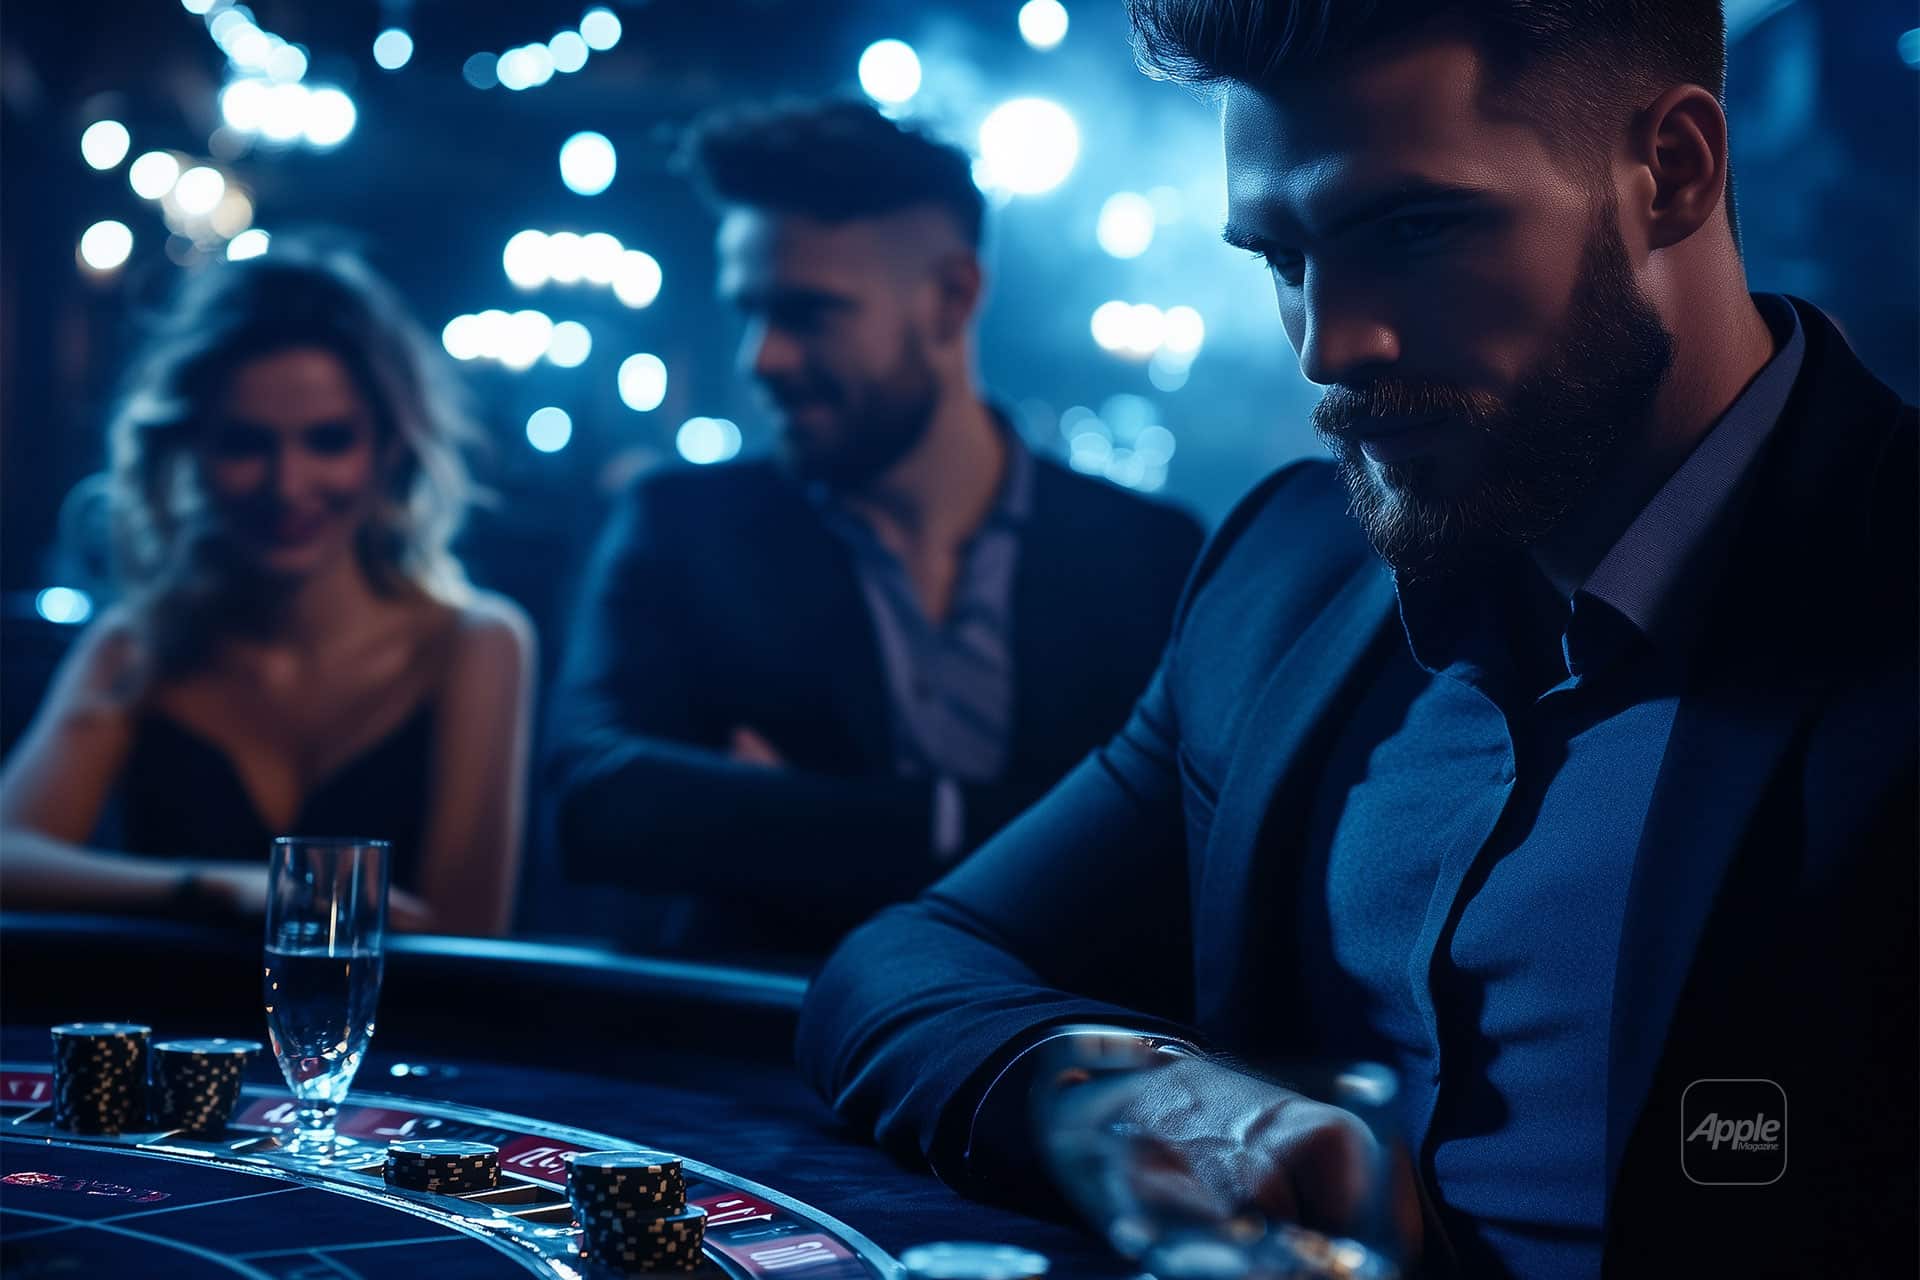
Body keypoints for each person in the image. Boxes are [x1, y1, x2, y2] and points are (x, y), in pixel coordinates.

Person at [796, 3, 1917, 1277]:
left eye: (1414, 228)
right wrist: (1144, 1103)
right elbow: (905, 963)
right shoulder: (1282, 580)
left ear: (1673, 169)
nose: (1334, 344)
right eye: (1284, 257)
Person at [547, 101, 1204, 964]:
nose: (762, 359)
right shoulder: (683, 527)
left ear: (952, 297)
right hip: (754, 1054)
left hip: (1057, 1071)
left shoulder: (1148, 554)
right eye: (749, 311)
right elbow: (599, 802)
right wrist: (1006, 820)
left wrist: (776, 818)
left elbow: (1184, 846)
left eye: (809, 313)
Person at [0, 244, 535, 937]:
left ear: (390, 448)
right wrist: (217, 890)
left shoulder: (477, 643)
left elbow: (467, 935)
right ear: (191, 448)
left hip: (390, 1044)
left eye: (329, 440)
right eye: (245, 443)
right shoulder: (141, 645)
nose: (287, 485)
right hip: (180, 1042)